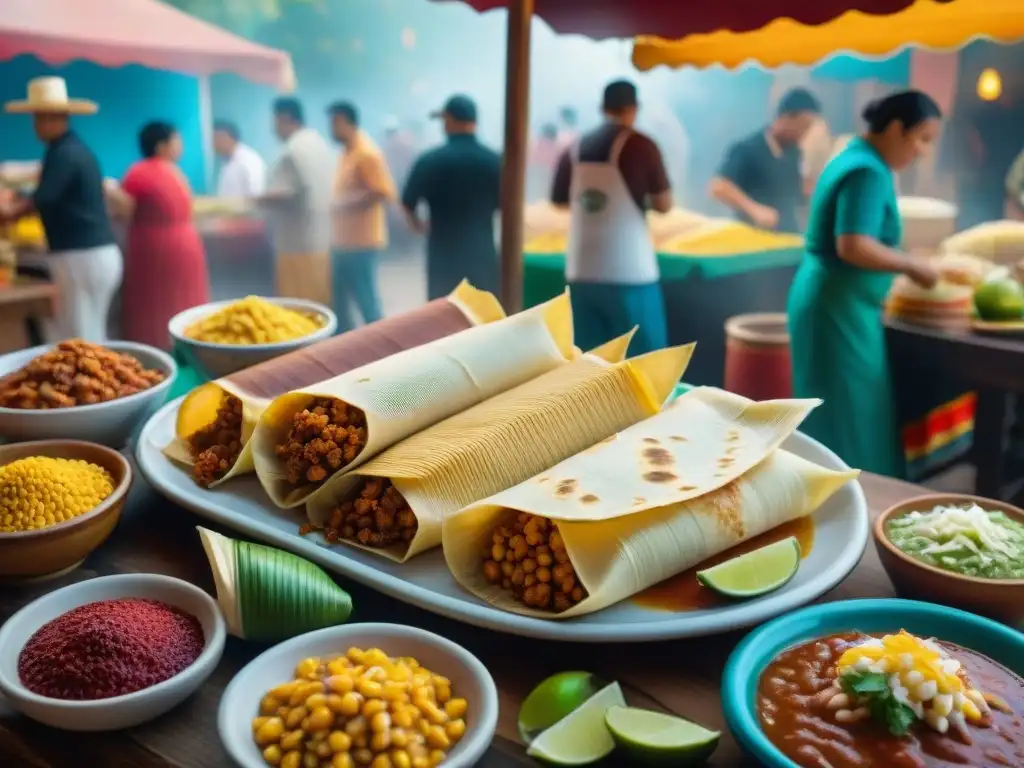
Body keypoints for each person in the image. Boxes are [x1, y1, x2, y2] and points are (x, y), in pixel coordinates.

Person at [787, 91, 943, 477]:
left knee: (843, 412)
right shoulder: (868, 171)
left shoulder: (855, 156)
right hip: (838, 312)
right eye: (922, 138)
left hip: (836, 305)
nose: (923, 151)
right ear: (894, 128)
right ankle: (859, 506)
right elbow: (853, 244)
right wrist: (911, 265)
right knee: (851, 416)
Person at [550, 79, 672, 355]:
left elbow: (558, 202)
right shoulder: (642, 146)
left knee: (589, 363)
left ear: (601, 107)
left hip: (581, 271)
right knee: (643, 363)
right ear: (634, 108)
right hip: (630, 272)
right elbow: (664, 204)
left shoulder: (575, 147)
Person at [0, 77, 122, 342]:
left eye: (37, 119)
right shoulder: (72, 149)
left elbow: (44, 198)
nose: (35, 126)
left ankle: (92, 383)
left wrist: (8, 214)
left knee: (81, 335)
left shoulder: (63, 153)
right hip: (94, 253)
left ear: (50, 118)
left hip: (80, 255)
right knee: (90, 331)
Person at [113, 121, 209, 349]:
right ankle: (172, 348)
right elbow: (126, 209)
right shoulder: (148, 172)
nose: (181, 145)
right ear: (161, 145)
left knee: (169, 302)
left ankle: (173, 347)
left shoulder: (157, 170)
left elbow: (124, 212)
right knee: (168, 302)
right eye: (177, 140)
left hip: (168, 246)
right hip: (167, 247)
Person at [401, 95, 501, 299]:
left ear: (449, 120)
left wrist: (418, 226)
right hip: (482, 254)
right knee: (483, 316)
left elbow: (407, 202)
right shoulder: (496, 161)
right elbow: (507, 206)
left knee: (444, 318)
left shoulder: (430, 160)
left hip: (443, 256)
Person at [709, 88, 821, 232]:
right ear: (785, 118)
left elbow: (795, 190)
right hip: (752, 238)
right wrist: (754, 209)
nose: (804, 132)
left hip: (786, 238)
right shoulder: (747, 148)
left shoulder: (794, 153)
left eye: (808, 127)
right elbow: (718, 187)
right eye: (803, 126)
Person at [327, 101, 396, 331]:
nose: (331, 129)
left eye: (335, 123)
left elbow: (382, 191)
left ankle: (382, 352)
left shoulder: (366, 152)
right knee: (340, 304)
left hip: (361, 243)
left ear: (347, 122)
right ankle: (345, 351)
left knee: (367, 303)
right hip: (343, 242)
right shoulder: (347, 152)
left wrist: (345, 203)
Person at [260, 97, 334, 304]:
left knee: (299, 307)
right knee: (320, 302)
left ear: (284, 118)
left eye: (274, 122)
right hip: (321, 240)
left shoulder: (293, 150)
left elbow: (288, 193)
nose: (273, 129)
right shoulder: (317, 142)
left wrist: (256, 199)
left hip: (296, 244)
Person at [213, 120, 266, 198]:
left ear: (226, 137)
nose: (213, 143)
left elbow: (256, 194)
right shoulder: (227, 162)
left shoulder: (249, 160)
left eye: (215, 138)